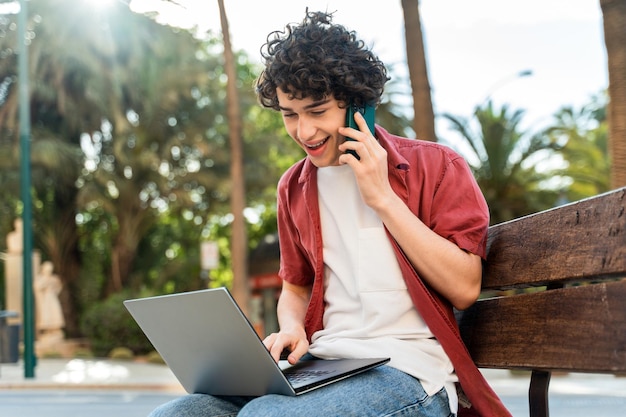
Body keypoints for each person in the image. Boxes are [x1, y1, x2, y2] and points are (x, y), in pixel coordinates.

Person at [150, 10, 510, 417]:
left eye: (317, 111)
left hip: (410, 372)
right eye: (290, 114)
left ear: (359, 104)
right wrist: (291, 327)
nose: (303, 132)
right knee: (178, 415)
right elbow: (296, 287)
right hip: (323, 367)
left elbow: (464, 287)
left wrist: (384, 199)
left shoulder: (438, 167)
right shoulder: (294, 187)